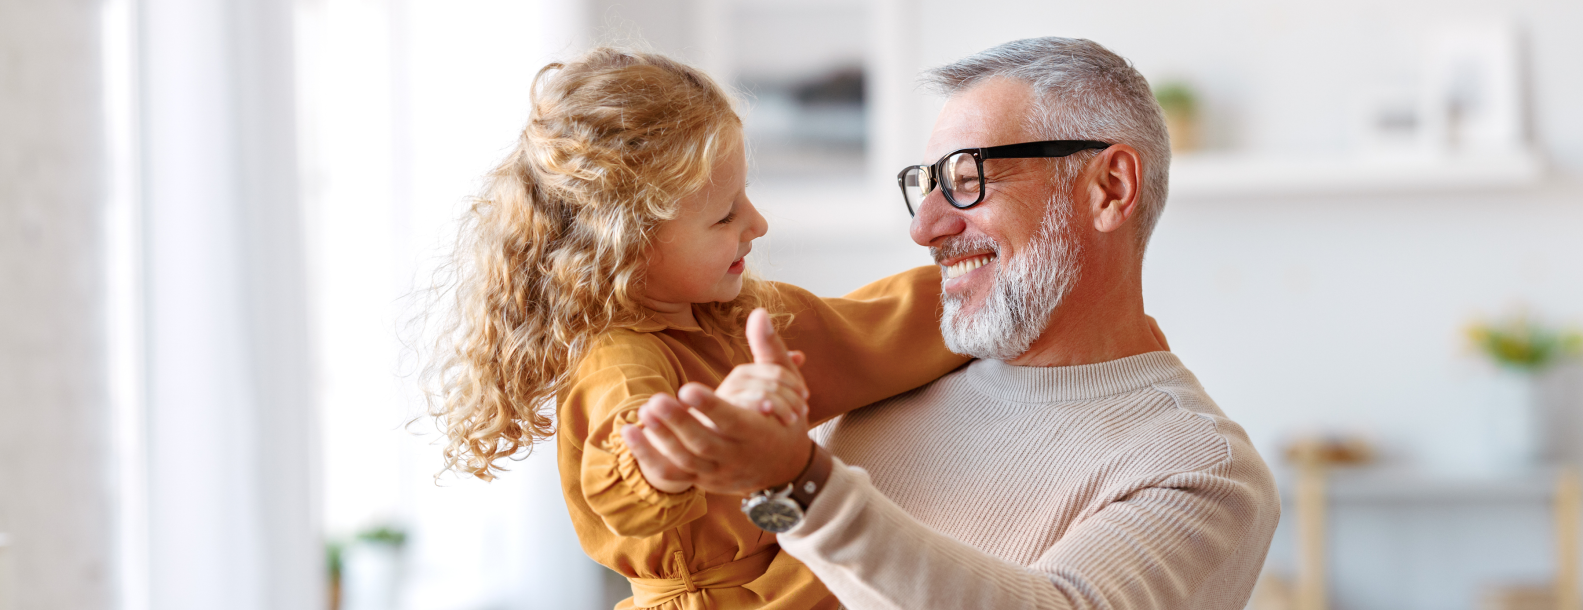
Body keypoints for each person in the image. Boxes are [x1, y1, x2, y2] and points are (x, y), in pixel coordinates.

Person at [621, 37, 1281, 609]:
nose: (924, 227)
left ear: (1108, 188)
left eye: (968, 179)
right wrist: (746, 468)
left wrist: (796, 479)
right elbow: (790, 546)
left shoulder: (1201, 469)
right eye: (925, 183)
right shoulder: (896, 372)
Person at [426, 48, 969, 610]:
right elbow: (626, 464)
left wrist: (989, 283)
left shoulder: (734, 316)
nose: (757, 223)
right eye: (725, 215)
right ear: (627, 244)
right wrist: (673, 452)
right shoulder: (619, 358)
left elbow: (868, 330)